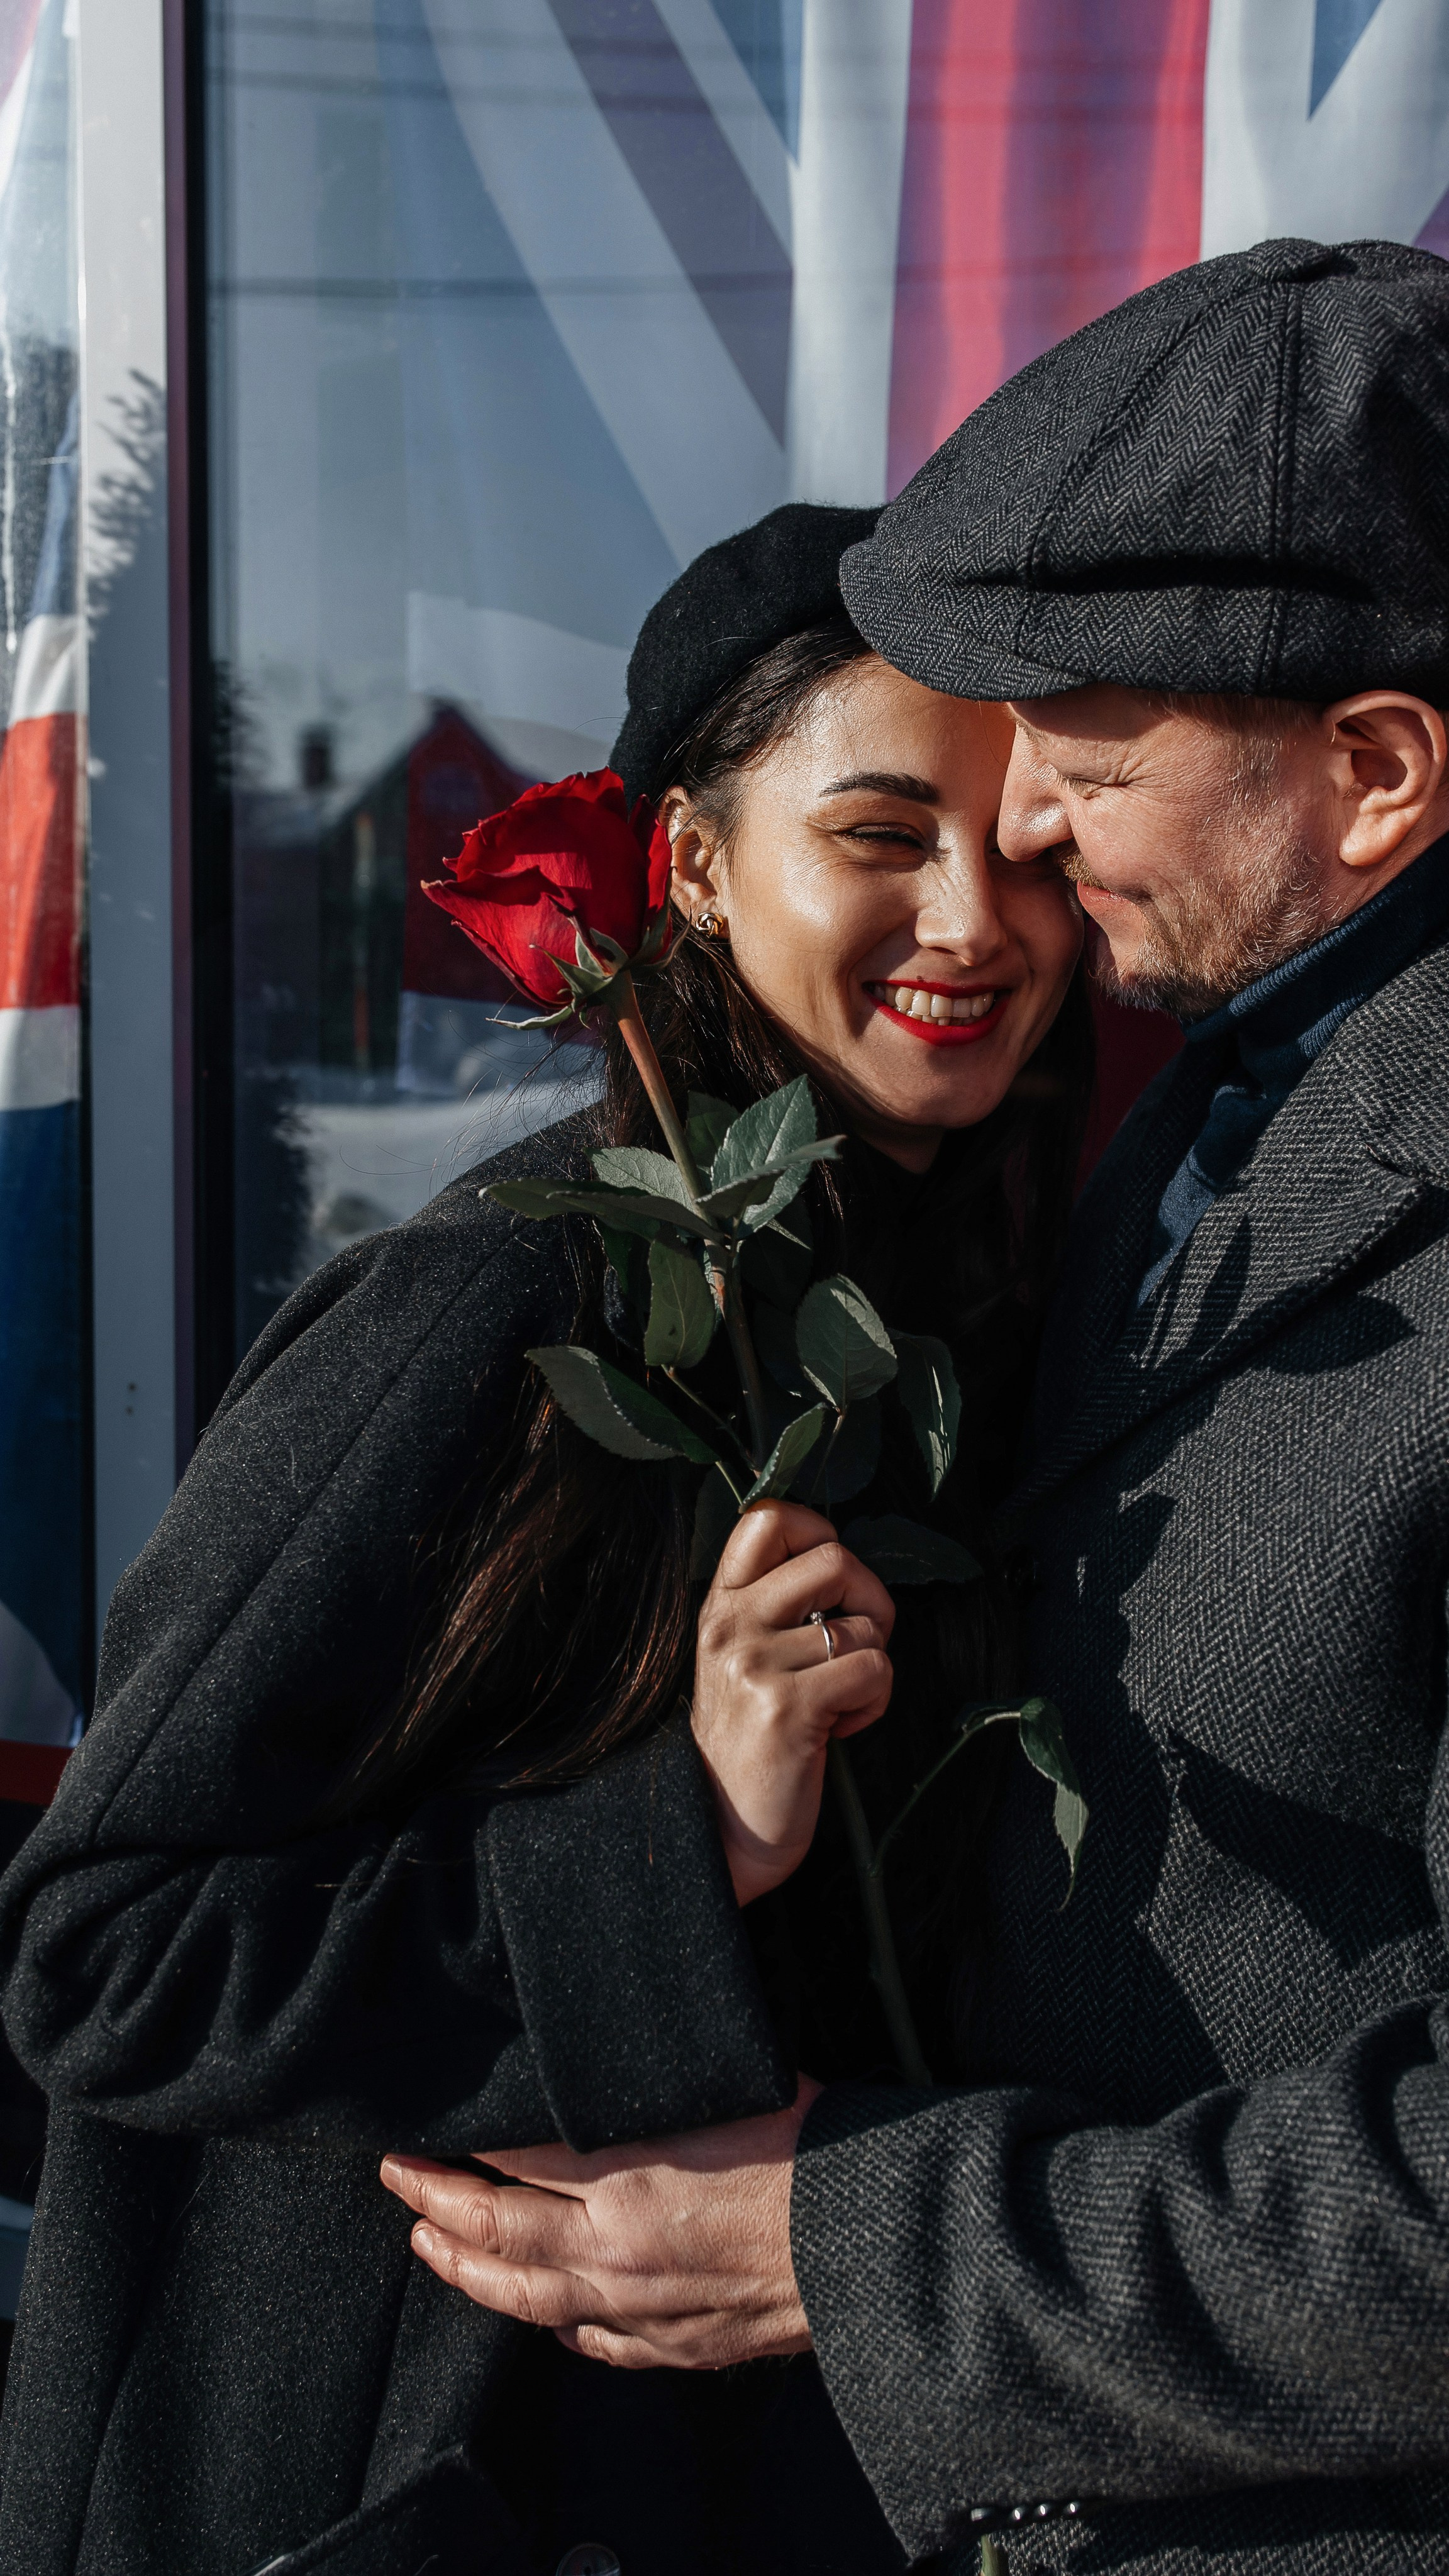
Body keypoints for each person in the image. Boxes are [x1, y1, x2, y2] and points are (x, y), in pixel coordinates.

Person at [379, 239, 1449, 2575]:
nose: (1025, 852)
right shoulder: (1186, 1118)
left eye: (1078, 764)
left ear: (1373, 775)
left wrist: (845, 2250)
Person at [0, 504, 1090, 2575]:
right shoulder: (502, 1305)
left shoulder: (966, 1315)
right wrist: (694, 1840)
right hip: (408, 2488)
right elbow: (102, 1954)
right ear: (686, 863)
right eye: (879, 834)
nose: (974, 917)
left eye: (1030, 846)